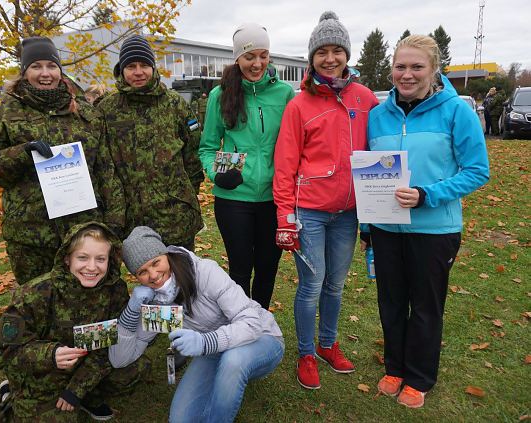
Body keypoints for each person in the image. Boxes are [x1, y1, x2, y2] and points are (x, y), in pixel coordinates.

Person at [364, 34, 489, 409]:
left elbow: (477, 171)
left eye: (417, 66)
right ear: (391, 70)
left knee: (425, 305)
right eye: (400, 66)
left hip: (435, 230)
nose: (407, 74)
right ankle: (395, 368)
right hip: (386, 229)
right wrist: (367, 226)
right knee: (390, 301)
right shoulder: (377, 115)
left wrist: (427, 195)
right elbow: (369, 173)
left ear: (434, 69)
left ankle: (419, 377)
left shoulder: (456, 111)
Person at [272, 11, 378, 390]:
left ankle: (328, 344)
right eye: (322, 52)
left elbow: (381, 151)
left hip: (348, 213)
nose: (330, 58)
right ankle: (305, 352)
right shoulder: (299, 105)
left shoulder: (365, 99)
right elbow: (285, 165)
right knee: (312, 283)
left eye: (337, 51)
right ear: (311, 57)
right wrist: (285, 215)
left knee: (336, 283)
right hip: (310, 212)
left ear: (347, 55)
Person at [0, 36, 124, 285]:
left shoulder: (84, 112)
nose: (45, 74)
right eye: (36, 66)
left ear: (59, 70)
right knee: (37, 304)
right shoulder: (6, 114)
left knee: (86, 300)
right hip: (31, 235)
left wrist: (114, 222)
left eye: (51, 66)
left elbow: (105, 168)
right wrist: (22, 154)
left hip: (82, 230)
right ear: (24, 71)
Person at [117, 226, 284, 423]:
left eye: (156, 263)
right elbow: (122, 358)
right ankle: (223, 382)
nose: (153, 275)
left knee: (233, 361)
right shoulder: (156, 302)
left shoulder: (204, 272)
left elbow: (251, 322)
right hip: (214, 351)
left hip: (262, 338)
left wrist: (205, 342)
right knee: (180, 420)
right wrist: (131, 311)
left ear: (166, 255)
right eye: (142, 272)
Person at [0, 222, 151, 422]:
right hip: (44, 373)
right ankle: (10, 395)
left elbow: (109, 342)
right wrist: (50, 355)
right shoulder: (34, 294)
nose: (92, 267)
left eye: (100, 259)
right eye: (82, 257)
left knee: (135, 368)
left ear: (110, 260)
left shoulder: (114, 290)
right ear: (67, 259)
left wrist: (77, 389)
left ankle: (87, 396)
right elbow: (2, 351)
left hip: (87, 365)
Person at [199, 23, 294, 309]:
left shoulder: (285, 94)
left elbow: (294, 146)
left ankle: (260, 321)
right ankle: (240, 323)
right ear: (237, 58)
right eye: (249, 56)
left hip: (273, 198)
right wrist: (217, 173)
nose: (257, 63)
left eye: (263, 55)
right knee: (240, 270)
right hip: (233, 200)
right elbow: (206, 147)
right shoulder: (221, 95)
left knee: (267, 270)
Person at [97, 35, 203, 250]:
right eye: (131, 66)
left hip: (176, 213)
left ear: (154, 68)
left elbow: (193, 152)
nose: (138, 72)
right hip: (133, 216)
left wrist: (187, 192)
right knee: (148, 276)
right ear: (121, 70)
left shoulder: (174, 103)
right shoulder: (107, 109)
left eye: (144, 65)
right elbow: (102, 162)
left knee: (183, 274)